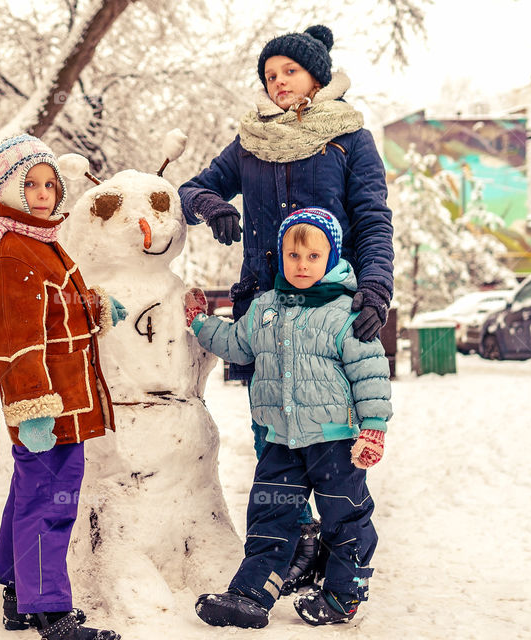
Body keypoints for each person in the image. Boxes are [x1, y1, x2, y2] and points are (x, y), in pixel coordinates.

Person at [178, 24, 395, 591]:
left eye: (288, 72)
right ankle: (291, 541)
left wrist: (374, 290)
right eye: (270, 75)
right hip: (266, 307)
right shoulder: (251, 140)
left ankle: (339, 542)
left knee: (329, 433)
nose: (278, 83)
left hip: (330, 307)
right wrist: (213, 207)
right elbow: (192, 188)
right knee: (272, 424)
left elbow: (372, 219)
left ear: (316, 77)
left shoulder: (350, 138)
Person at [185, 207, 391, 628]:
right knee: (269, 517)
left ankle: (342, 596)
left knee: (344, 516)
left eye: (313, 257)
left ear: (331, 258)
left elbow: (370, 373)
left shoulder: (345, 312)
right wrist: (201, 323)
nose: (302, 265)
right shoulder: (264, 309)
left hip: (334, 441)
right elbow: (237, 345)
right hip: (280, 440)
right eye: (293, 256)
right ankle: (251, 594)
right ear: (281, 257)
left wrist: (372, 430)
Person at [0, 134, 126, 640]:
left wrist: (97, 307)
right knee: (51, 501)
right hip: (47, 406)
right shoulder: (11, 253)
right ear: (7, 189)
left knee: (31, 493)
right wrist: (33, 408)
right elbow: (14, 340)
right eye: (29, 183)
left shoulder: (40, 240)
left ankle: (19, 594)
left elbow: (57, 309)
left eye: (49, 184)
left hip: (65, 399)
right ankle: (50, 610)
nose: (42, 193)